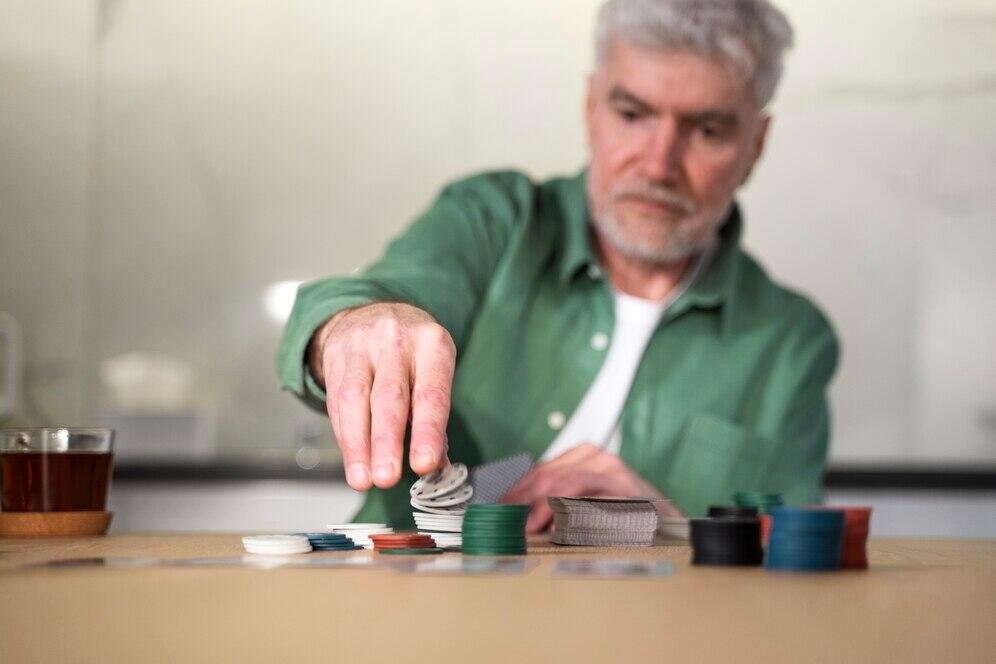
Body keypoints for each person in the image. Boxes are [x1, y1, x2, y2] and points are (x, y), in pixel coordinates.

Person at [278, 0, 838, 532]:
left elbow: (780, 562)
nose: (659, 163)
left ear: (756, 145)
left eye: (708, 130)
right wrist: (352, 325)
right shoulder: (492, 223)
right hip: (416, 615)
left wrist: (661, 523)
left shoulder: (791, 343)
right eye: (633, 113)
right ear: (590, 106)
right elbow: (363, 298)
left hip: (660, 633)